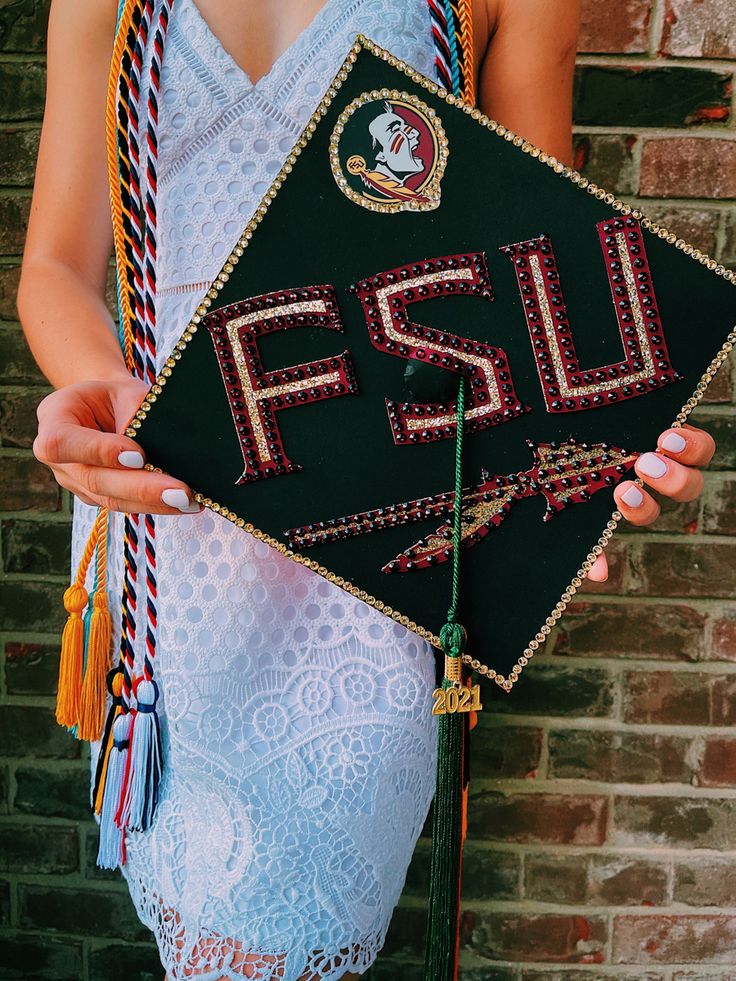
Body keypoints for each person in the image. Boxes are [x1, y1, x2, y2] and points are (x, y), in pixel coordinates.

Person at [18, 1, 716, 979]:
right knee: (188, 917)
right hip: (165, 520)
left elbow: (524, 264)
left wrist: (563, 468)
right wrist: (100, 395)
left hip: (366, 540)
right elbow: (54, 262)